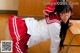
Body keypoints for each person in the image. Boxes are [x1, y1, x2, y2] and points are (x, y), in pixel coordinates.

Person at [8, 0, 73, 53]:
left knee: (8, 44)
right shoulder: (55, 25)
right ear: (58, 12)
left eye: (68, 12)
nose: (66, 15)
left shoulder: (53, 16)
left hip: (29, 27)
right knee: (8, 46)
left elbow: (56, 26)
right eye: (63, 13)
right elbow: (55, 41)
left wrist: (65, 25)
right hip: (29, 34)